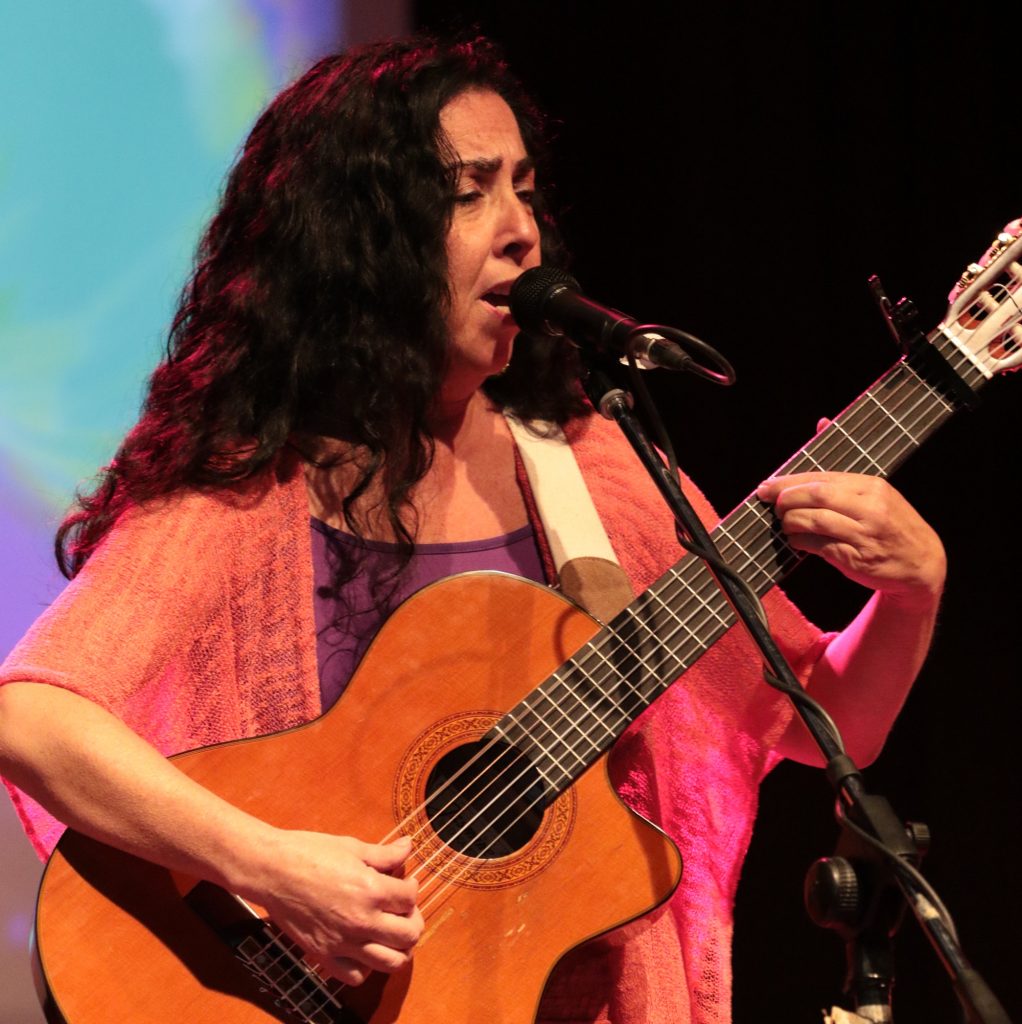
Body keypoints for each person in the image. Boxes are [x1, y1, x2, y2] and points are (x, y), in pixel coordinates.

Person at [0, 35, 944, 1024]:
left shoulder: (591, 472)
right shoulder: (251, 491)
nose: (521, 232)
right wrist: (269, 866)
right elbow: (33, 714)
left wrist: (910, 593)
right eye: (468, 192)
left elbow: (830, 718)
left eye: (525, 190)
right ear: (357, 242)